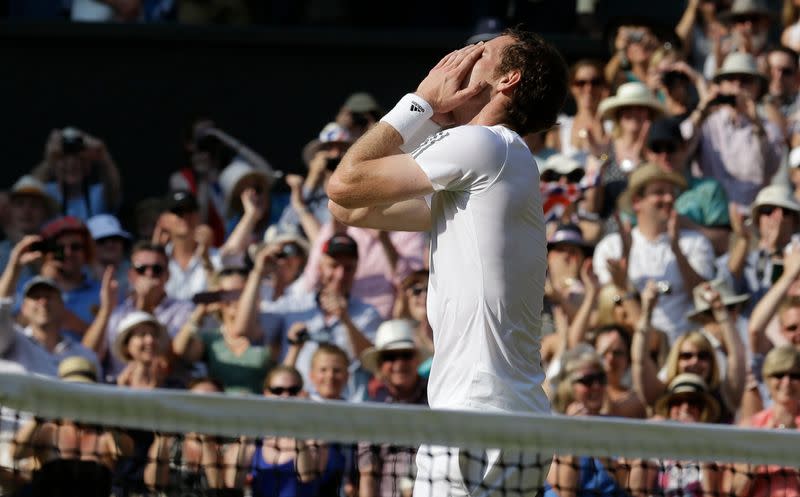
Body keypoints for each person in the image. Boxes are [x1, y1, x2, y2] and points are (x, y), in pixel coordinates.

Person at [326, 28, 569, 496]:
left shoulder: (486, 146)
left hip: (476, 417)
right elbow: (349, 208)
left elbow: (343, 184)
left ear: (507, 80)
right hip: (504, 421)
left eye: (481, 53)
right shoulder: (489, 169)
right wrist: (436, 119)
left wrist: (419, 102)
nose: (461, 58)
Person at [592, 163, 716, 343]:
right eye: (658, 192)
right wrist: (622, 278)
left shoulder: (695, 242)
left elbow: (705, 300)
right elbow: (606, 308)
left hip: (684, 350)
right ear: (636, 202)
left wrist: (677, 252)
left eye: (671, 193)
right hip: (633, 349)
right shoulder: (611, 247)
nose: (668, 199)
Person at [10, 355, 134, 497]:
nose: (78, 399)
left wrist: (106, 415)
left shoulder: (106, 436)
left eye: (84, 392)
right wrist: (38, 416)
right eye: (72, 392)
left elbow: (125, 452)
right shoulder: (48, 431)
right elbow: (17, 454)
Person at [223, 365, 346, 497]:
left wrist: (297, 426)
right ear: (266, 394)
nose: (286, 395)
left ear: (302, 393)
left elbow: (306, 476)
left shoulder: (317, 436)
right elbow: (233, 482)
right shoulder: (253, 438)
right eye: (278, 390)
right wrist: (248, 433)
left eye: (293, 390)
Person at [683, 51, 784, 209]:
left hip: (751, 212)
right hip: (710, 211)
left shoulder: (769, 129)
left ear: (758, 88)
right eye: (730, 79)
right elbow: (681, 148)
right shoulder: (707, 123)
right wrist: (702, 108)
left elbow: (772, 167)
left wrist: (756, 123)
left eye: (745, 81)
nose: (737, 86)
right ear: (721, 85)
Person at [81, 241, 193, 381]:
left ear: (168, 275)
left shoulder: (183, 310)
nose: (149, 274)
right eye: (141, 269)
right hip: (116, 390)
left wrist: (145, 305)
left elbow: (172, 359)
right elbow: (86, 357)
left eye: (157, 269)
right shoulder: (116, 312)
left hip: (161, 389)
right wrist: (105, 310)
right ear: (131, 275)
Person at [172, 262, 273, 395]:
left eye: (239, 293)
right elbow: (180, 351)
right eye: (226, 293)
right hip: (219, 410)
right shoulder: (211, 339)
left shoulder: (267, 332)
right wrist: (201, 311)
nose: (233, 299)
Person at [358, 319, 428, 497]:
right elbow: (368, 473)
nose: (399, 363)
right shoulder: (372, 410)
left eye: (405, 355)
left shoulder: (437, 399)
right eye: (390, 357)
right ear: (380, 365)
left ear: (416, 359)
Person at [629, 373, 723, 496]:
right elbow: (636, 492)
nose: (685, 407)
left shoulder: (716, 450)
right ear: (669, 409)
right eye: (678, 401)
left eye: (693, 401)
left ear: (703, 410)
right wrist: (648, 434)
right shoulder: (655, 452)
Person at [727, 345, 800, 497]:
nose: (786, 382)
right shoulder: (749, 427)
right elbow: (736, 492)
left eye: (795, 375)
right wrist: (762, 445)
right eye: (779, 374)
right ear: (767, 379)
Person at [31, 127, 122, 221]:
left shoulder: (98, 195)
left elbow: (113, 187)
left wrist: (102, 153)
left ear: (88, 167)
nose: (71, 164)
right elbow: (28, 187)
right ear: (54, 166)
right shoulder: (46, 193)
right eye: (63, 159)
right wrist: (49, 158)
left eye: (80, 159)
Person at [0, 175, 56, 273]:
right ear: (10, 210)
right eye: (20, 204)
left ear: (46, 213)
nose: (27, 211)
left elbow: (52, 275)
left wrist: (10, 229)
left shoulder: (60, 247)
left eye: (34, 205)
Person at [86, 213, 132, 299]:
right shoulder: (80, 276)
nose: (109, 244)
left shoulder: (137, 270)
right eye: (101, 240)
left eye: (115, 238)